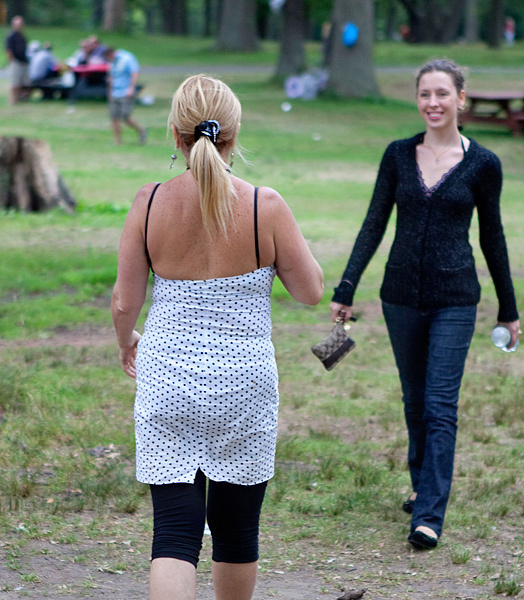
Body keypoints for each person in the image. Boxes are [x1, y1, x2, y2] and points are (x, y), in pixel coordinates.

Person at [111, 74, 324, 600]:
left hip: (168, 380)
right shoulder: (264, 206)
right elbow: (311, 291)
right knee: (236, 531)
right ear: (234, 134)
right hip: (244, 386)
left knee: (174, 533)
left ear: (175, 135)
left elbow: (123, 301)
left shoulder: (149, 203)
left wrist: (126, 339)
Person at [329, 59, 520, 551]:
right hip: (399, 298)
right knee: (415, 400)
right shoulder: (397, 155)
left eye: (442, 93)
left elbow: (493, 237)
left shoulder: (484, 165)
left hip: (455, 300)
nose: (432, 103)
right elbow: (374, 222)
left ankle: (429, 515)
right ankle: (421, 485)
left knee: (439, 405)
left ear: (461, 99)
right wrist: (346, 288)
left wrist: (509, 307)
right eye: (424, 94)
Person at [104, 46, 147, 146]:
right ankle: (118, 141)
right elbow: (111, 77)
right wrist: (109, 91)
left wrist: (131, 88)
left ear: (111, 53)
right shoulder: (111, 63)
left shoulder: (127, 58)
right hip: (115, 92)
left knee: (125, 117)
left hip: (125, 92)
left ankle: (141, 130)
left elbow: (134, 73)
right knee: (114, 117)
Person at [5, 16, 29, 104]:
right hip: (15, 62)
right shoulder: (11, 36)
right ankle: (12, 100)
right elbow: (8, 50)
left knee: (20, 83)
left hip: (23, 62)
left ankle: (18, 99)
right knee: (14, 83)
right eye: (17, 24)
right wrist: (12, 60)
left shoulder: (22, 36)